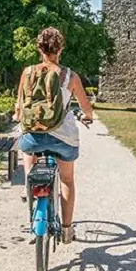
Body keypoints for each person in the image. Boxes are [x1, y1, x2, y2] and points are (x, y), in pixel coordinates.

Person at [14, 27, 93, 243]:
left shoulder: (28, 73)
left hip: (34, 136)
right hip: (63, 138)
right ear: (61, 49)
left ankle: (29, 183)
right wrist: (88, 116)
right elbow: (86, 107)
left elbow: (20, 106)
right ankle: (67, 230)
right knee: (67, 180)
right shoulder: (70, 76)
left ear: (38, 47)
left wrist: (17, 114)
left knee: (28, 143)